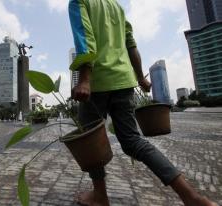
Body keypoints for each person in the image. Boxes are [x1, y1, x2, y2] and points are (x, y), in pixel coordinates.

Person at [68, 0, 217, 205]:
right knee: (133, 141)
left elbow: (85, 39)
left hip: (97, 83)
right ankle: (191, 197)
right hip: (124, 81)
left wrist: (84, 80)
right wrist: (140, 78)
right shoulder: (116, 7)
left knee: (89, 142)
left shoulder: (79, 2)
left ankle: (100, 196)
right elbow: (131, 45)